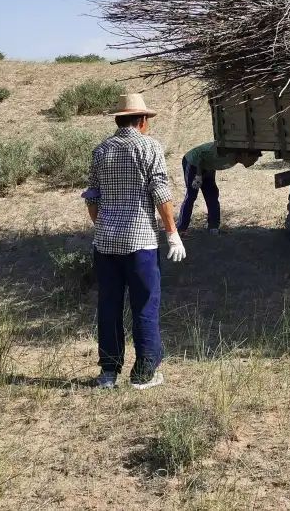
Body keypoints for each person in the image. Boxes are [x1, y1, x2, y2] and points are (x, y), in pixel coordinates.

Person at [82, 93, 183, 390]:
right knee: (145, 306)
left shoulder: (101, 150)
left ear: (118, 120)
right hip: (140, 241)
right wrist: (172, 233)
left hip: (105, 242)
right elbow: (160, 194)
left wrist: (103, 225)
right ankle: (144, 373)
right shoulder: (150, 147)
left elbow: (92, 198)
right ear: (141, 121)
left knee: (109, 305)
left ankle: (109, 372)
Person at [177, 142, 260, 234]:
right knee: (191, 195)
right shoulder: (226, 153)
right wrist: (198, 175)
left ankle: (213, 228)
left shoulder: (236, 157)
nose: (252, 163)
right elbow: (201, 156)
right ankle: (181, 229)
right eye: (252, 160)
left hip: (209, 167)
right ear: (245, 155)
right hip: (193, 163)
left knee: (212, 195)